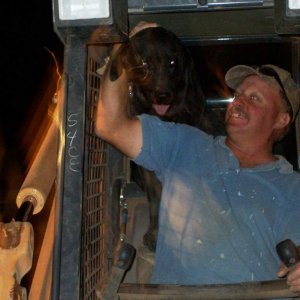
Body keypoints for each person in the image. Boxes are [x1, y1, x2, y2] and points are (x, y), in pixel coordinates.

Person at [95, 25, 300, 295]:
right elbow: (109, 125)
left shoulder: (291, 187)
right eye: (238, 95)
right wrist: (123, 51)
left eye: (253, 98)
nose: (238, 102)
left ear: (281, 119)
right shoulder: (184, 143)